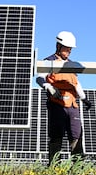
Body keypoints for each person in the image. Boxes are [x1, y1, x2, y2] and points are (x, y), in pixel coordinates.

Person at [36, 31, 92, 165]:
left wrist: (84, 99)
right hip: (57, 104)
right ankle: (54, 167)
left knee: (76, 135)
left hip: (72, 106)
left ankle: (78, 167)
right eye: (67, 48)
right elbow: (39, 78)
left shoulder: (71, 65)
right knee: (56, 136)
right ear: (58, 46)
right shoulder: (49, 61)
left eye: (70, 49)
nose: (69, 51)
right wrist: (48, 87)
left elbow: (76, 84)